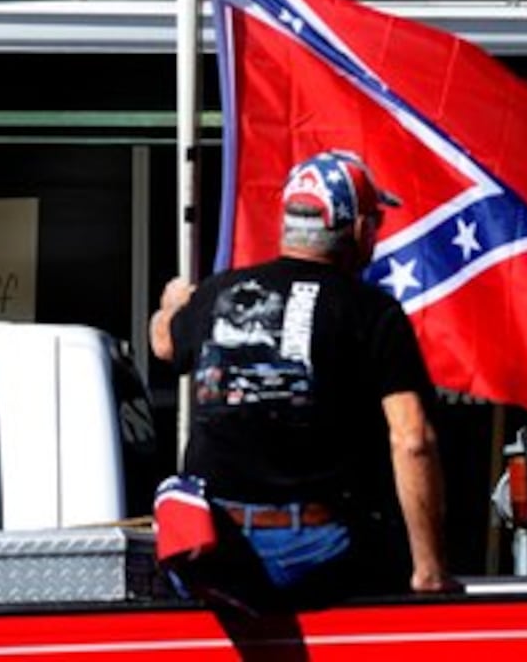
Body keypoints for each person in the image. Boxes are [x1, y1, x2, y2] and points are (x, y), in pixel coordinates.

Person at [149, 149, 458, 609]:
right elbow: (412, 439)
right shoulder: (372, 311)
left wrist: (174, 303)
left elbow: (164, 344)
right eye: (376, 221)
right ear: (357, 229)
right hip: (321, 549)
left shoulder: (218, 293)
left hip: (218, 548)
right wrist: (429, 569)